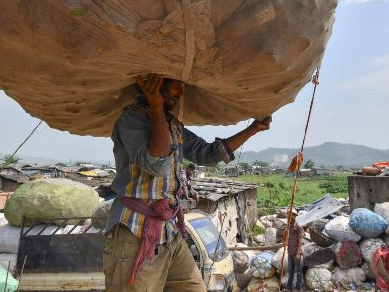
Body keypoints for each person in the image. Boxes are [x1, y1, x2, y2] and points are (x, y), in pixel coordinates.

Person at [103, 74, 272, 292]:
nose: (181, 91)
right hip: (135, 233)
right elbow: (157, 164)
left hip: (169, 232)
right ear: (156, 82)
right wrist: (155, 105)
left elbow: (208, 154)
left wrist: (253, 129)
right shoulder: (131, 120)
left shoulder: (174, 126)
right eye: (176, 84)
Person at [286, 219, 305, 291]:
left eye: (292, 215)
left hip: (296, 252)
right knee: (291, 269)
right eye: (289, 215)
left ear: (294, 216)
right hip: (290, 251)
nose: (290, 216)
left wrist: (298, 253)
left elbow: (300, 241)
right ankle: (289, 287)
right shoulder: (289, 225)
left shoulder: (298, 227)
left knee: (299, 271)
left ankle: (298, 287)